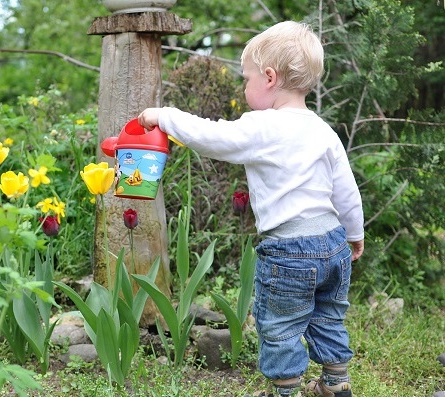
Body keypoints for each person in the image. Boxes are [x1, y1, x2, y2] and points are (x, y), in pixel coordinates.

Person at [138, 21, 363, 397]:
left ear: (270, 78)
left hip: (289, 251)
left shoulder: (263, 126)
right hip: (333, 242)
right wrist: (354, 234)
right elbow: (347, 192)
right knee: (328, 316)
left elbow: (211, 137)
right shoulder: (323, 130)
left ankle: (285, 391)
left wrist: (163, 117)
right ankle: (335, 382)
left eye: (247, 79)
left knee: (280, 325)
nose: (244, 88)